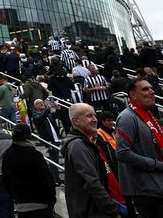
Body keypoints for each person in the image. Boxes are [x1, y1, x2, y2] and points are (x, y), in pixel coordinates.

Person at [62, 102, 125, 218]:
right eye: (89, 116)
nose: (95, 119)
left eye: (95, 115)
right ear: (76, 121)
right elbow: (92, 182)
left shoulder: (86, 144)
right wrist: (112, 211)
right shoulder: (77, 146)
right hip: (91, 212)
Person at [115, 75, 163, 215]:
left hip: (157, 187)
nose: (152, 91)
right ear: (133, 95)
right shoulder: (127, 118)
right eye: (145, 89)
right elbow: (122, 152)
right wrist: (156, 164)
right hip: (147, 192)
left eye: (152, 88)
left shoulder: (149, 116)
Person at [1, 123, 56, 218]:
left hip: (21, 204)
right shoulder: (34, 154)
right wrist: (51, 200)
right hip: (41, 204)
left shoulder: (7, 155)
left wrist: (15, 196)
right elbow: (46, 179)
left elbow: (6, 181)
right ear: (29, 136)